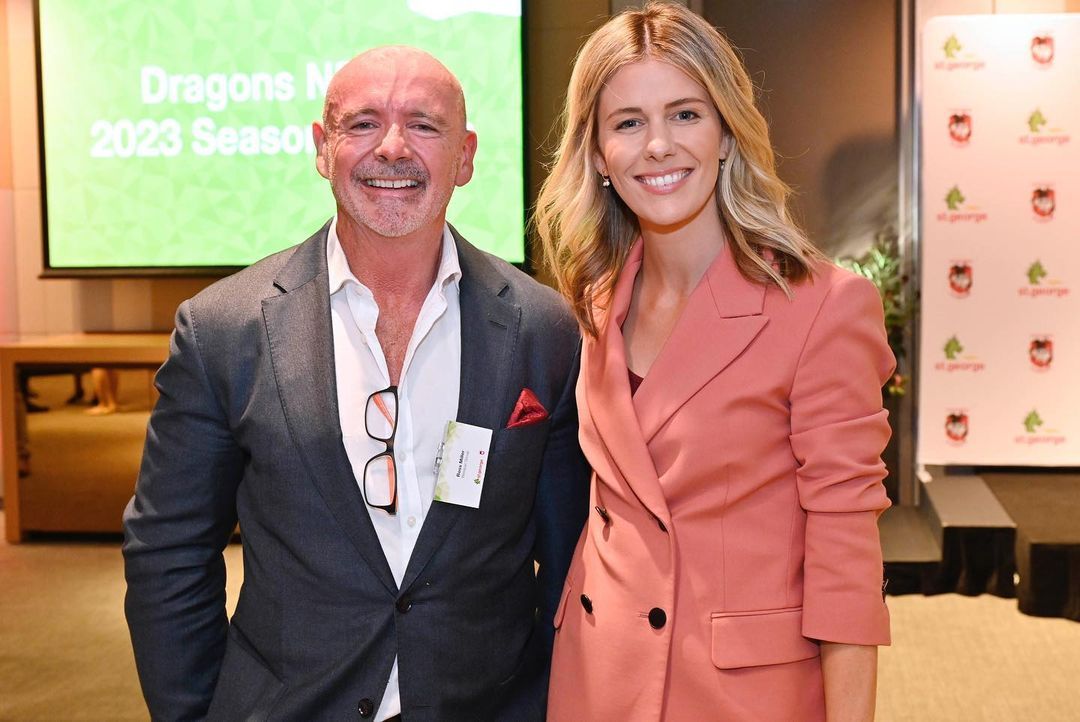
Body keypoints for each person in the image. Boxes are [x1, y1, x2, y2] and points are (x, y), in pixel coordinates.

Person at [123, 46, 589, 721]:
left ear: (465, 156)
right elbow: (168, 553)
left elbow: (573, 560)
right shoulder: (224, 330)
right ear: (323, 148)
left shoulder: (542, 330)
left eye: (424, 125)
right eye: (363, 123)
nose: (393, 148)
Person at [535, 4, 893, 721]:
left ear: (727, 133)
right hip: (595, 677)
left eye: (686, 115)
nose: (658, 145)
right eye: (627, 123)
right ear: (598, 155)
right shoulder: (595, 299)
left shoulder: (823, 307)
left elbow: (846, 562)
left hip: (739, 693)